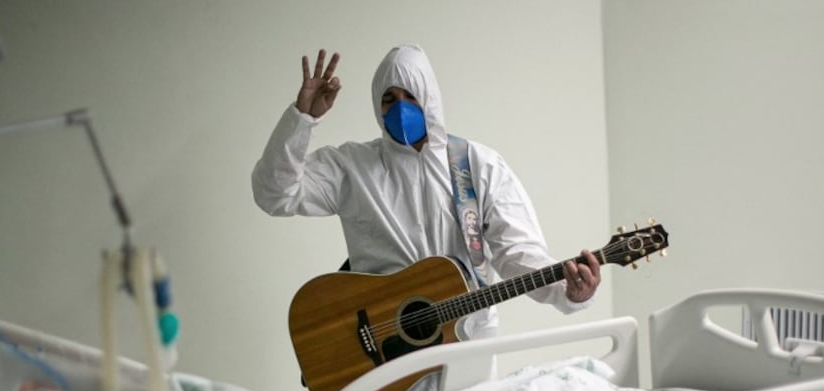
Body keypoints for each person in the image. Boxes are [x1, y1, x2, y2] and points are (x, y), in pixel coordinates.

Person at [251, 45, 602, 350]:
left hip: (467, 343)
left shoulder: (479, 165)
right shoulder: (351, 167)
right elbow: (275, 194)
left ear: (430, 99)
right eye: (389, 99)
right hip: (381, 351)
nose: (399, 109)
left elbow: (517, 253)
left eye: (410, 96)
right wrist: (301, 120)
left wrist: (569, 292)